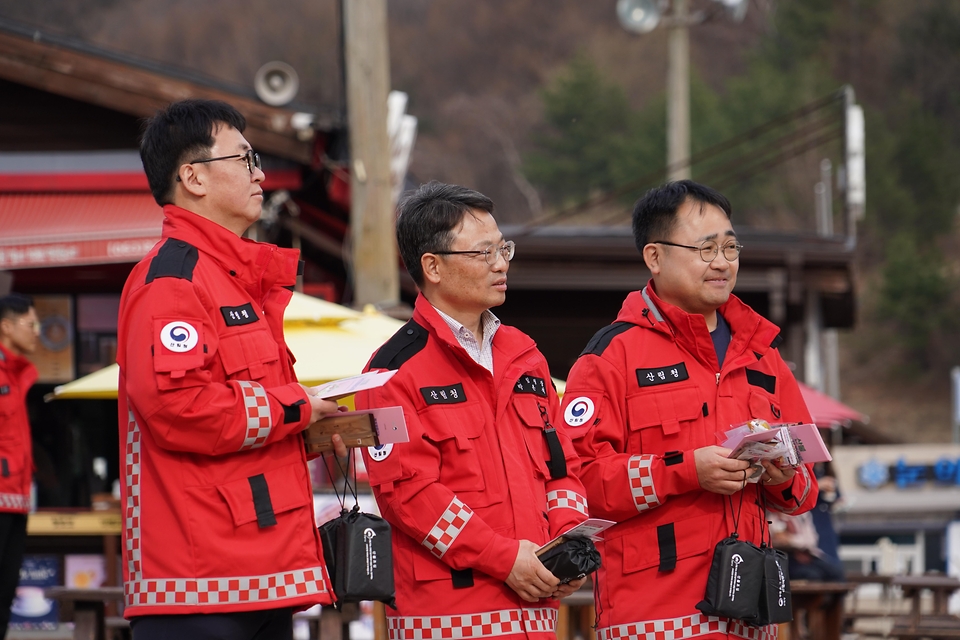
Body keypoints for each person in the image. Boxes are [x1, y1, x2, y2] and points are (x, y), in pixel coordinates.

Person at [118, 99, 346, 639]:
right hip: (200, 584)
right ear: (192, 177)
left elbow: (243, 420)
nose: (260, 174)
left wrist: (311, 425)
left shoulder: (234, 278)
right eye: (244, 159)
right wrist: (294, 407)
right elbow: (179, 409)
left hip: (259, 569)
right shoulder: (172, 280)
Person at [560, 180, 819, 640]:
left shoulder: (764, 355)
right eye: (705, 248)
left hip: (749, 614)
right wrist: (685, 471)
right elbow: (579, 486)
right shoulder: (610, 355)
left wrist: (785, 477)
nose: (722, 262)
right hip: (652, 617)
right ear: (654, 257)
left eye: (730, 247)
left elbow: (805, 491)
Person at [355, 182, 590, 639]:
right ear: (433, 267)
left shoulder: (526, 355)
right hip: (448, 617)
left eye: (503, 248)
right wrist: (505, 559)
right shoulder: (390, 372)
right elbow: (409, 497)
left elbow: (564, 468)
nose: (501, 263)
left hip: (536, 613)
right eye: (484, 253)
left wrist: (569, 541)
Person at [0, 294, 39, 639]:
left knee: (5, 592)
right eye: (31, 324)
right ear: (6, 327)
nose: (38, 332)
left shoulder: (17, 374)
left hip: (16, 498)